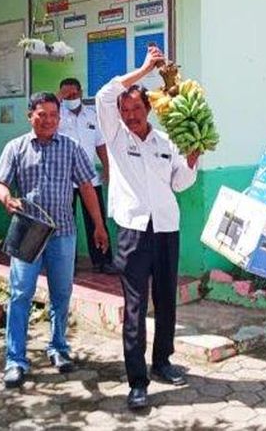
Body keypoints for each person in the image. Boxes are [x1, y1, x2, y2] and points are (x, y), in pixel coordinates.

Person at [95, 46, 200, 410]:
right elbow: (105, 94)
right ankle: (137, 381)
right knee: (136, 306)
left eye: (137, 110)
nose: (130, 116)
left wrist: (192, 160)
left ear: (149, 110)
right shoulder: (116, 137)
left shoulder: (165, 141)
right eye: (125, 112)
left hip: (167, 228)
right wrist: (142, 70)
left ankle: (163, 361)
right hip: (133, 231)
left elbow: (181, 183)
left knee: (167, 299)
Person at [0, 91, 109, 389]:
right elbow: (0, 183)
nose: (48, 121)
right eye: (41, 115)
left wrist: (98, 225)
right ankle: (15, 360)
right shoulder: (15, 147)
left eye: (54, 116)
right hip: (28, 232)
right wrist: (6, 199)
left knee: (61, 293)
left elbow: (86, 186)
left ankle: (58, 347)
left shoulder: (71, 147)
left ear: (60, 118)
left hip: (63, 233)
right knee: (20, 294)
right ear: (30, 115)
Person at [56, 77, 115, 273]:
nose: (70, 98)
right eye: (66, 95)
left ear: (80, 93)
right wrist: (58, 100)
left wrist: (107, 167)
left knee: (96, 221)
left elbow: (100, 144)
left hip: (89, 178)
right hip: (63, 179)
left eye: (73, 94)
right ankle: (66, 263)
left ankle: (103, 261)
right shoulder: (57, 116)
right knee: (65, 223)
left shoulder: (92, 116)